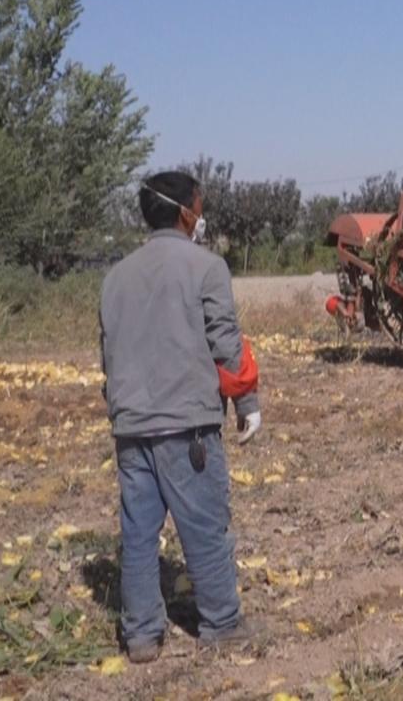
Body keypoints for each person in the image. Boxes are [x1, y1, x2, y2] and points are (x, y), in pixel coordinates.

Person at [100, 171, 261, 662]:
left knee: (139, 535)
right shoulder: (206, 267)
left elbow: (108, 355)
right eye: (199, 205)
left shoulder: (115, 277)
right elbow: (226, 345)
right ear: (184, 210)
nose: (200, 214)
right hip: (187, 428)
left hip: (130, 428)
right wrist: (247, 403)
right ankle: (221, 621)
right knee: (205, 525)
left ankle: (143, 635)